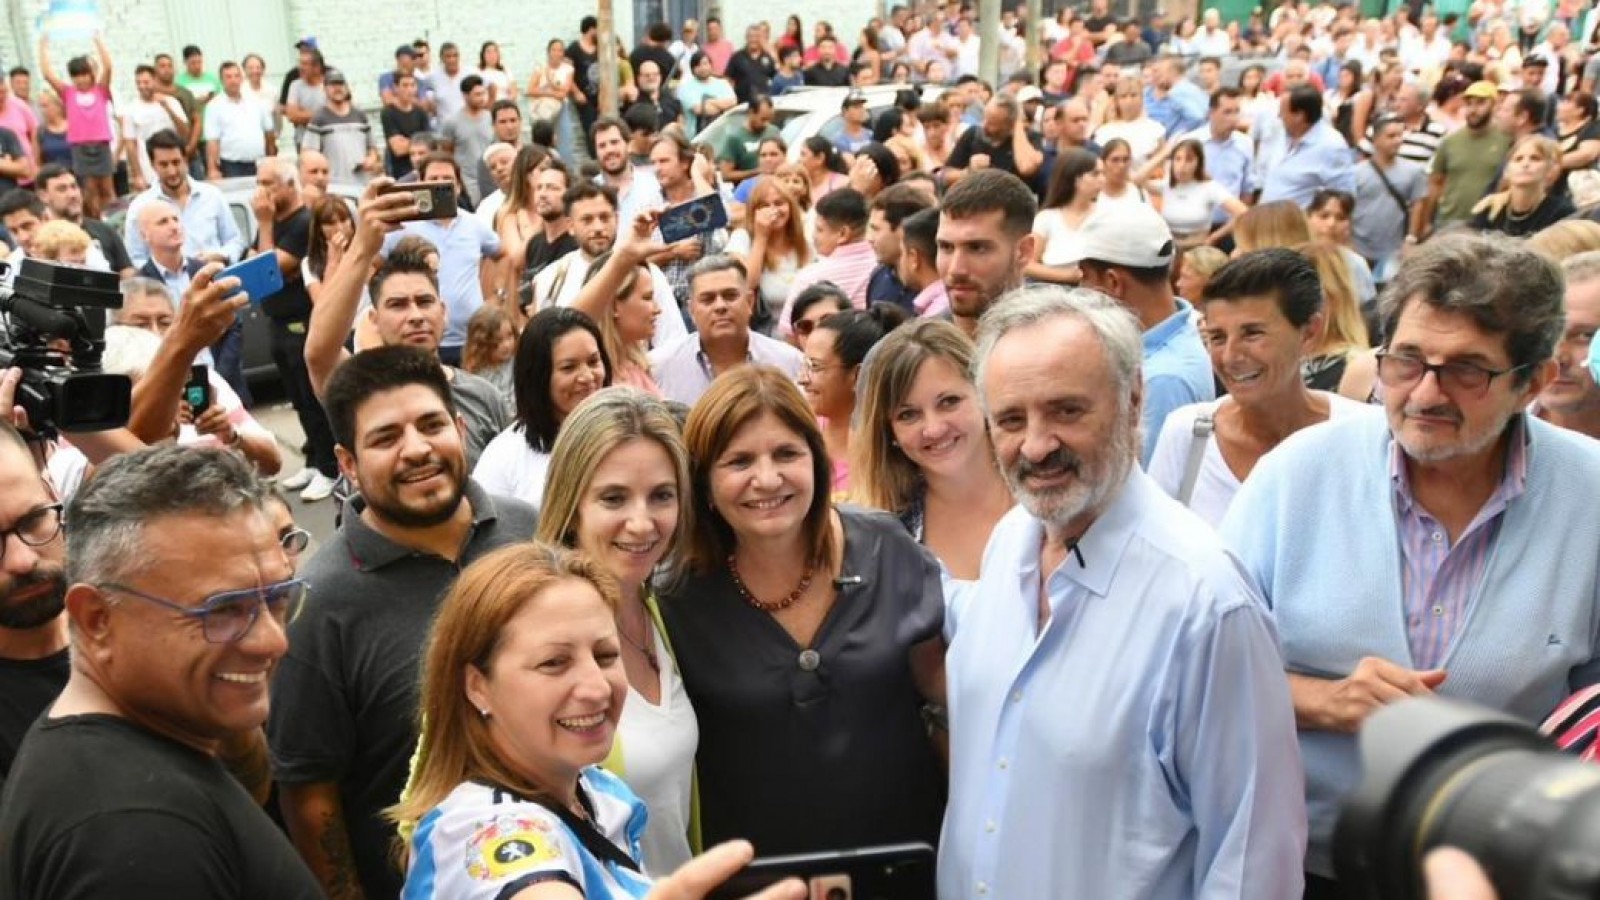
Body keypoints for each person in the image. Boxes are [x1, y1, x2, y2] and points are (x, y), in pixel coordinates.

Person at [1222, 234, 1600, 896]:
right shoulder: (1297, 476)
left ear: (1533, 381)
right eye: (1406, 361)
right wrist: (1326, 701)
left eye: (1467, 370)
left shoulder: (1588, 496)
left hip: (1500, 872)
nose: (1426, 394)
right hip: (1299, 863)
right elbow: (1201, 672)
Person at [941, 285, 1305, 898]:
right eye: (1010, 419)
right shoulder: (1010, 543)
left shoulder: (1206, 604)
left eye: (1066, 410)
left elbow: (1252, 862)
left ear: (1134, 396)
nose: (1035, 445)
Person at [270, 346, 540, 900]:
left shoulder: (530, 531)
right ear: (347, 463)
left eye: (431, 424)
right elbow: (309, 791)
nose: (416, 449)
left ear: (461, 427)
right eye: (386, 437)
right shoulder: (319, 605)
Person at [0, 446, 322, 897]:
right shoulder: (133, 836)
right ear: (97, 618)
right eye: (222, 610)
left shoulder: (130, 751)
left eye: (276, 597)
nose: (273, 641)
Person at [661, 365, 947, 854]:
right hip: (758, 878)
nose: (767, 479)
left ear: (816, 461)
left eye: (786, 453)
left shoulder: (885, 547)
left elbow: (944, 702)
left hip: (906, 864)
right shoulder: (677, 599)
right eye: (739, 462)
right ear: (703, 482)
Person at [526, 387, 702, 873]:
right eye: (614, 498)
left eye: (662, 496)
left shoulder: (662, 612)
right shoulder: (527, 631)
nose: (642, 523)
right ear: (572, 502)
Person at [1148, 249, 1365, 526]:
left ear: (1309, 332)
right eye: (1217, 337)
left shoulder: (1361, 434)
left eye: (1252, 334)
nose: (1230, 356)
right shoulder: (1187, 434)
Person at [304, 183, 513, 470]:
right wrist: (362, 248)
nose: (415, 315)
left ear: (443, 312)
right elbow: (319, 353)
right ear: (374, 320)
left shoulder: (484, 396)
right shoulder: (360, 388)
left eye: (425, 301)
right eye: (398, 304)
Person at [851, 318, 1012, 637]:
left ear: (984, 393)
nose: (934, 428)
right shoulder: (886, 537)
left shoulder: (1047, 491)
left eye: (949, 402)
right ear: (890, 432)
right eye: (908, 414)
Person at [1066, 203, 1215, 465]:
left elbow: (1149, 482)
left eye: (1085, 277)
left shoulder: (1162, 380)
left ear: (1112, 283)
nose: (1080, 288)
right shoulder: (1173, 338)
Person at [251, 156, 340, 502]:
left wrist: (264, 224)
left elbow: (265, 272)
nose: (262, 191)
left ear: (290, 184)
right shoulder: (273, 224)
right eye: (259, 182)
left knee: (314, 398)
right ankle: (314, 459)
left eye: (269, 182)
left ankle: (331, 467)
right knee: (298, 399)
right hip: (277, 323)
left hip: (303, 322)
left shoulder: (302, 223)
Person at [473, 308, 611, 508]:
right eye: (568, 367)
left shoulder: (629, 434)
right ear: (538, 376)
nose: (588, 377)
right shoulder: (503, 457)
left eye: (593, 362)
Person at [380, 153, 506, 364]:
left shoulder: (473, 224)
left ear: (457, 186)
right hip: (422, 340)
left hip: (472, 340)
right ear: (420, 184)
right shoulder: (403, 226)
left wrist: (496, 295)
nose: (439, 186)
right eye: (433, 179)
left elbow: (502, 255)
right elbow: (375, 264)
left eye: (446, 180)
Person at [650, 256, 804, 406]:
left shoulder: (789, 363)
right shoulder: (659, 368)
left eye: (730, 296)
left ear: (750, 302)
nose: (720, 306)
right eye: (708, 299)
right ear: (691, 310)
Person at [799, 305, 908, 493]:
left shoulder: (889, 459)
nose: (802, 379)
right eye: (804, 364)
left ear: (858, 375)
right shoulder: (798, 432)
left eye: (815, 367)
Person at [123, 129, 247, 267]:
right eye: (164, 165)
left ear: (185, 160)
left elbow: (235, 241)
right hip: (167, 287)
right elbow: (135, 257)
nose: (172, 171)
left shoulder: (212, 196)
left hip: (215, 280)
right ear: (153, 165)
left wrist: (221, 256)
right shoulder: (140, 207)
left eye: (176, 162)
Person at [937, 169, 1038, 338]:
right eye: (946, 247)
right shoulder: (908, 356)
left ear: (1023, 252)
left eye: (977, 248)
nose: (955, 269)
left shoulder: (1063, 349)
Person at [1417, 81, 1511, 236]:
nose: (1473, 110)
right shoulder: (1450, 141)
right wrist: (1426, 222)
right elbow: (1435, 182)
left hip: (1489, 225)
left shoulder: (1506, 141)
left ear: (1495, 106)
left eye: (1481, 103)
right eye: (1469, 104)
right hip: (1449, 222)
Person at [36, 34, 113, 217]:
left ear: (91, 75)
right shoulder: (68, 93)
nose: (81, 79)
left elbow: (108, 66)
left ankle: (112, 219)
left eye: (84, 74)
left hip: (101, 144)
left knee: (107, 189)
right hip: (80, 146)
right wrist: (43, 47)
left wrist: (97, 39)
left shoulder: (100, 91)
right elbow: (48, 74)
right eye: (76, 76)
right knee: (89, 190)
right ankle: (94, 220)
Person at [778, 189, 876, 332]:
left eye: (819, 229)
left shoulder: (811, 277)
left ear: (843, 233)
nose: (813, 236)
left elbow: (789, 332)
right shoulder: (884, 267)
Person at [725, 176, 811, 330]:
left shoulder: (806, 239)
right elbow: (747, 284)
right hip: (767, 332)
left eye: (779, 203)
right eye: (764, 205)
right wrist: (761, 238)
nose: (773, 210)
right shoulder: (741, 238)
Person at [1354, 115, 1427, 281]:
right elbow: (1348, 207)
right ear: (1376, 139)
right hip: (1359, 246)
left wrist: (1411, 238)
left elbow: (1418, 204)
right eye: (1391, 136)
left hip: (1393, 249)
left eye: (1400, 135)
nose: (1397, 141)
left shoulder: (1413, 171)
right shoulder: (1357, 173)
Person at [1141, 139, 1248, 250]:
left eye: (1189, 160)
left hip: (1196, 250)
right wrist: (1164, 154)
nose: (1182, 165)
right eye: (1177, 159)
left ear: (1199, 162)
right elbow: (1137, 180)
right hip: (1169, 250)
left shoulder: (1209, 187)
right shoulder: (1167, 186)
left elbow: (1243, 213)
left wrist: (1214, 237)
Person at [1259, 85, 1356, 207]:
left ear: (1299, 116)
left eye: (1283, 111)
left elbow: (1344, 196)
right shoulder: (1281, 134)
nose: (1279, 116)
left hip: (1299, 224)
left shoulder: (1331, 146)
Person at [1470, 135, 1576, 237]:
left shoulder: (1563, 213)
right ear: (1506, 171)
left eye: (1535, 158)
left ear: (1550, 170)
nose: (1525, 164)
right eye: (1518, 159)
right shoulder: (1490, 209)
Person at [1027, 147, 1101, 284]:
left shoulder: (1106, 215)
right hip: (1053, 291)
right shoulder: (1046, 218)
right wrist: (1066, 276)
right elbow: (1028, 265)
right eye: (1095, 174)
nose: (1102, 180)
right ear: (1075, 179)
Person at [942, 94, 1044, 187]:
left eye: (992, 124)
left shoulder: (1030, 138)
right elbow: (945, 176)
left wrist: (1018, 124)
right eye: (985, 119)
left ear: (1009, 125)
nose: (985, 126)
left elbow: (1026, 167)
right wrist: (969, 171)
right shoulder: (973, 135)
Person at [303, 69, 382, 186]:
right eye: (333, 85)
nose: (337, 88)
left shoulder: (360, 116)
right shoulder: (319, 119)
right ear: (324, 89)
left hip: (363, 183)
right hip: (334, 184)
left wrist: (371, 159)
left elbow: (373, 148)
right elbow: (309, 153)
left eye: (340, 84)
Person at [206, 60, 276, 180]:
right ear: (221, 80)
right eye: (228, 77)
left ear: (242, 78)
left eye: (236, 76)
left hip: (260, 162)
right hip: (232, 166)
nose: (233, 80)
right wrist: (212, 169)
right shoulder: (214, 106)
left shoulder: (256, 101)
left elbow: (269, 131)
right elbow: (212, 141)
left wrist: (272, 159)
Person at [1092, 77, 1166, 167]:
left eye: (1133, 95)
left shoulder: (1156, 130)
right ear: (1117, 101)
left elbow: (1160, 166)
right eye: (1123, 96)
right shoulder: (1104, 132)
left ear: (1142, 98)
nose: (1129, 101)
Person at [676, 52, 735, 138]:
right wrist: (722, 105)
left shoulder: (722, 83)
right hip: (696, 137)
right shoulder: (686, 87)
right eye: (698, 65)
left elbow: (733, 102)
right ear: (692, 69)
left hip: (722, 135)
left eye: (705, 63)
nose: (703, 68)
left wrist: (711, 102)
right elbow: (700, 110)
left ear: (711, 65)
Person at [1096, 138, 1153, 213]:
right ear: (1103, 163)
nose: (1121, 165)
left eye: (1126, 160)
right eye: (1115, 160)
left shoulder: (1140, 194)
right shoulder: (1092, 195)